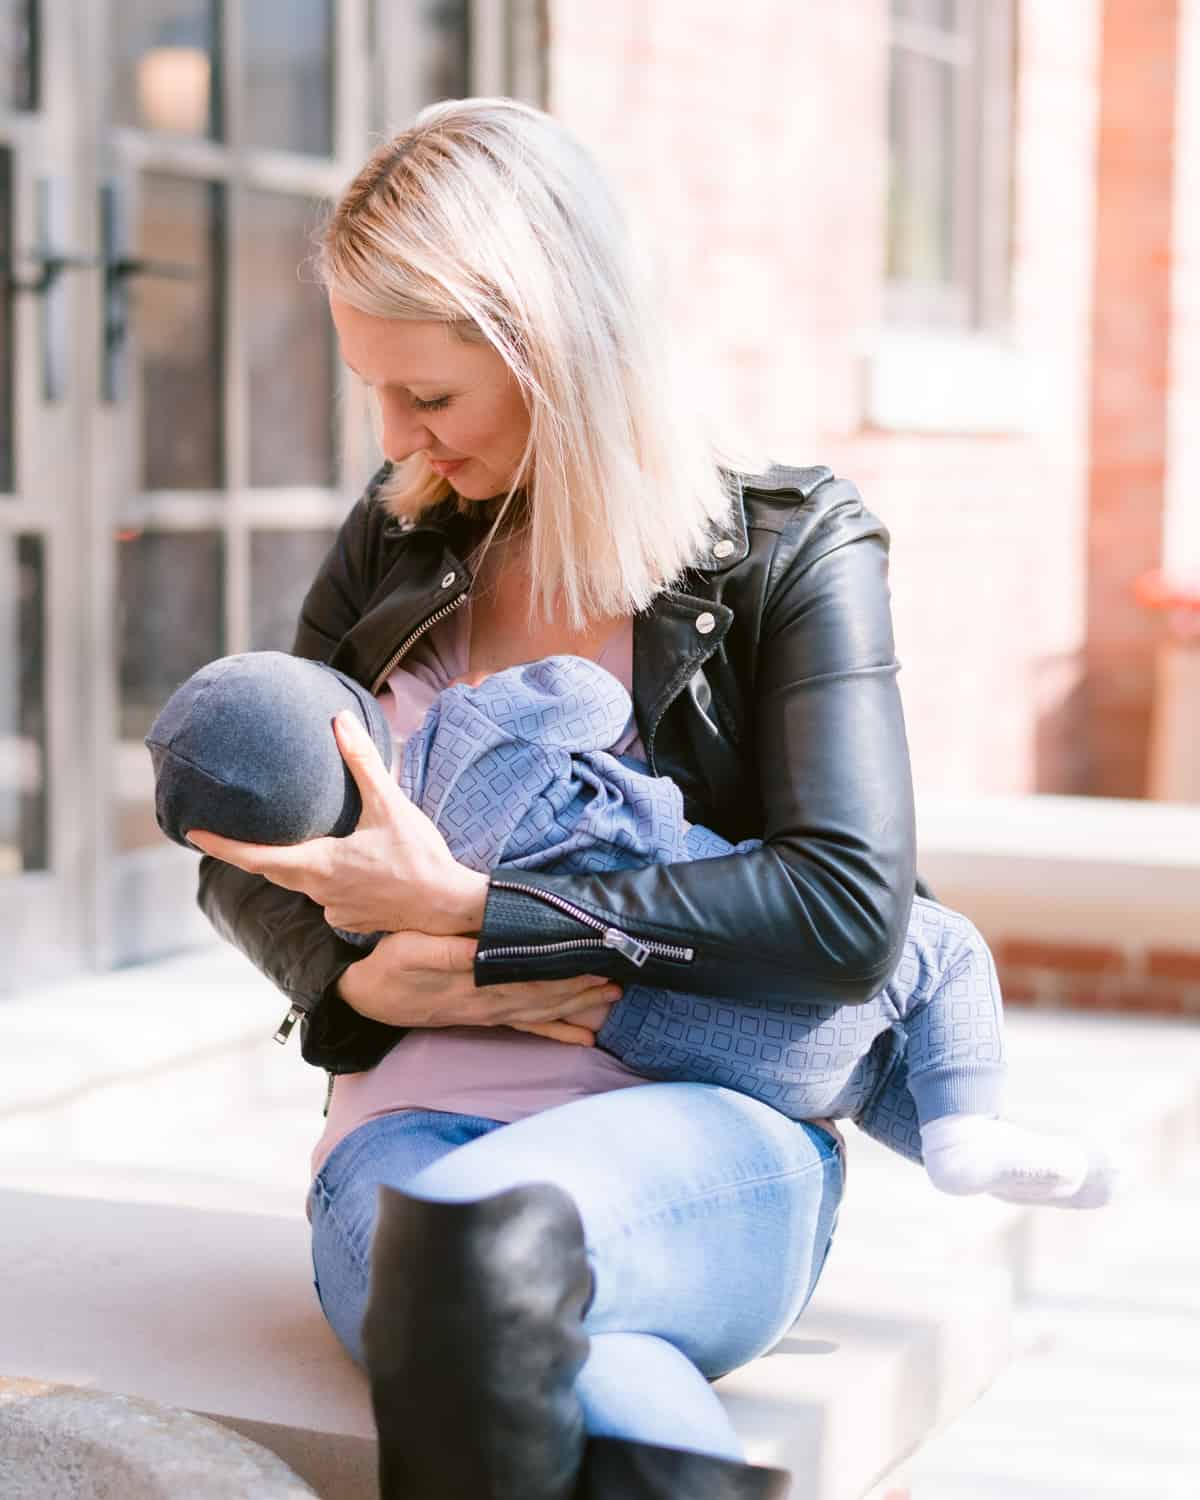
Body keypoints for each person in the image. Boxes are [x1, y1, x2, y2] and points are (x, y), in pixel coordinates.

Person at [187, 95, 930, 1500]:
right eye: (377, 391)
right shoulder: (399, 532)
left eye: (433, 396)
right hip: (402, 1135)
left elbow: (848, 904)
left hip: (703, 1135)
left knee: (481, 1242)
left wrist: (477, 914)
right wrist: (367, 993)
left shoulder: (788, 551)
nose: (400, 438)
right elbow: (249, 838)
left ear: (560, 350)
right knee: (556, 1334)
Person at [155, 647, 1116, 1210]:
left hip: (657, 1037)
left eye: (430, 398)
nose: (405, 432)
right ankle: (966, 1133)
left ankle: (966, 1138)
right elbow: (594, 694)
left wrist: (437, 928)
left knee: (860, 1084)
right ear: (347, 720)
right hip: (726, 962)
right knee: (944, 950)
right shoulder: (474, 728)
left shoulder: (352, 904)